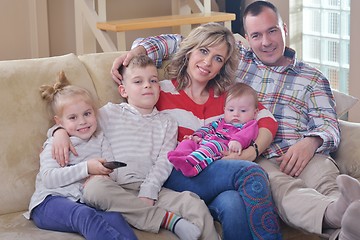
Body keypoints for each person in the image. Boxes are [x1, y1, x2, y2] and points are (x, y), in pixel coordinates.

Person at [111, 1, 360, 239]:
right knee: (279, 188)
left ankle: (345, 226)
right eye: (256, 35)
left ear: (284, 29)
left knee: (332, 186)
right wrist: (137, 54)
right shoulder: (238, 58)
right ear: (247, 38)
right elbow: (180, 43)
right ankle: (336, 214)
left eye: (272, 31)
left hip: (304, 151)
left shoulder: (312, 78)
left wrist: (311, 142)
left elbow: (325, 124)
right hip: (263, 159)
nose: (265, 42)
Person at [108, 22, 282, 240]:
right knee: (252, 173)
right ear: (189, 51)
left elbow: (267, 120)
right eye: (203, 51)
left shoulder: (228, 98)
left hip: (217, 176)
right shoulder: (159, 90)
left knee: (233, 204)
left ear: (223, 66)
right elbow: (120, 114)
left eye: (218, 58)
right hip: (178, 174)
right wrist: (135, 53)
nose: (208, 62)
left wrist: (252, 152)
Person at [51, 55, 218, 240]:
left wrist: (149, 191)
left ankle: (140, 212)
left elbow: (164, 162)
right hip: (113, 185)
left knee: (194, 204)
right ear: (123, 90)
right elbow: (80, 123)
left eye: (153, 81)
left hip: (147, 186)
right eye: (138, 81)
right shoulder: (110, 113)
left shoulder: (167, 123)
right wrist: (58, 132)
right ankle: (164, 220)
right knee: (94, 189)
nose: (147, 85)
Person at [24, 71, 137, 240]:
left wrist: (105, 177)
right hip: (49, 202)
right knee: (84, 215)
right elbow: (49, 178)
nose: (82, 121)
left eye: (87, 114)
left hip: (84, 200)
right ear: (59, 122)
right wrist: (87, 168)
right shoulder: (55, 144)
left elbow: (111, 172)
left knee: (115, 218)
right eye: (73, 117)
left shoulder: (100, 139)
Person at [168, 82, 259, 177]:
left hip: (223, 147)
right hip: (204, 143)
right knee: (187, 142)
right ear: (224, 110)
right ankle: (180, 157)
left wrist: (237, 141)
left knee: (212, 146)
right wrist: (196, 136)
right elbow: (208, 128)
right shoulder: (220, 122)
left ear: (255, 113)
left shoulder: (250, 125)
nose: (236, 114)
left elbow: (247, 134)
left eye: (243, 111)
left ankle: (191, 166)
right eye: (231, 110)